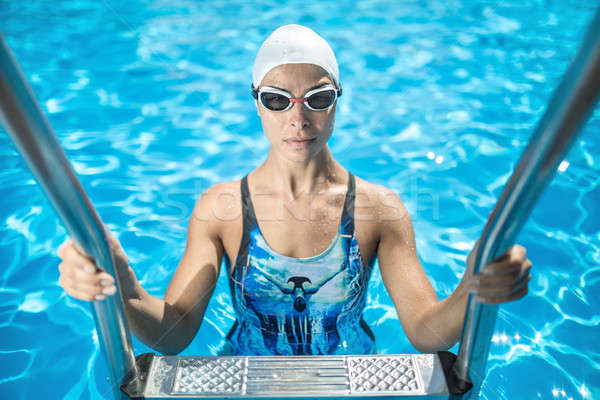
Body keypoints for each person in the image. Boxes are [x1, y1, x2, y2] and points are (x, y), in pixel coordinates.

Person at [56, 24, 531, 356]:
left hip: (351, 379)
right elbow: (174, 333)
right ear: (256, 105)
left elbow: (428, 332)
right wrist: (123, 286)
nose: (298, 118)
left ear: (338, 102)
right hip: (247, 379)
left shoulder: (378, 210)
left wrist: (472, 290)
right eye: (277, 100)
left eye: (318, 98)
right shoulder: (221, 211)